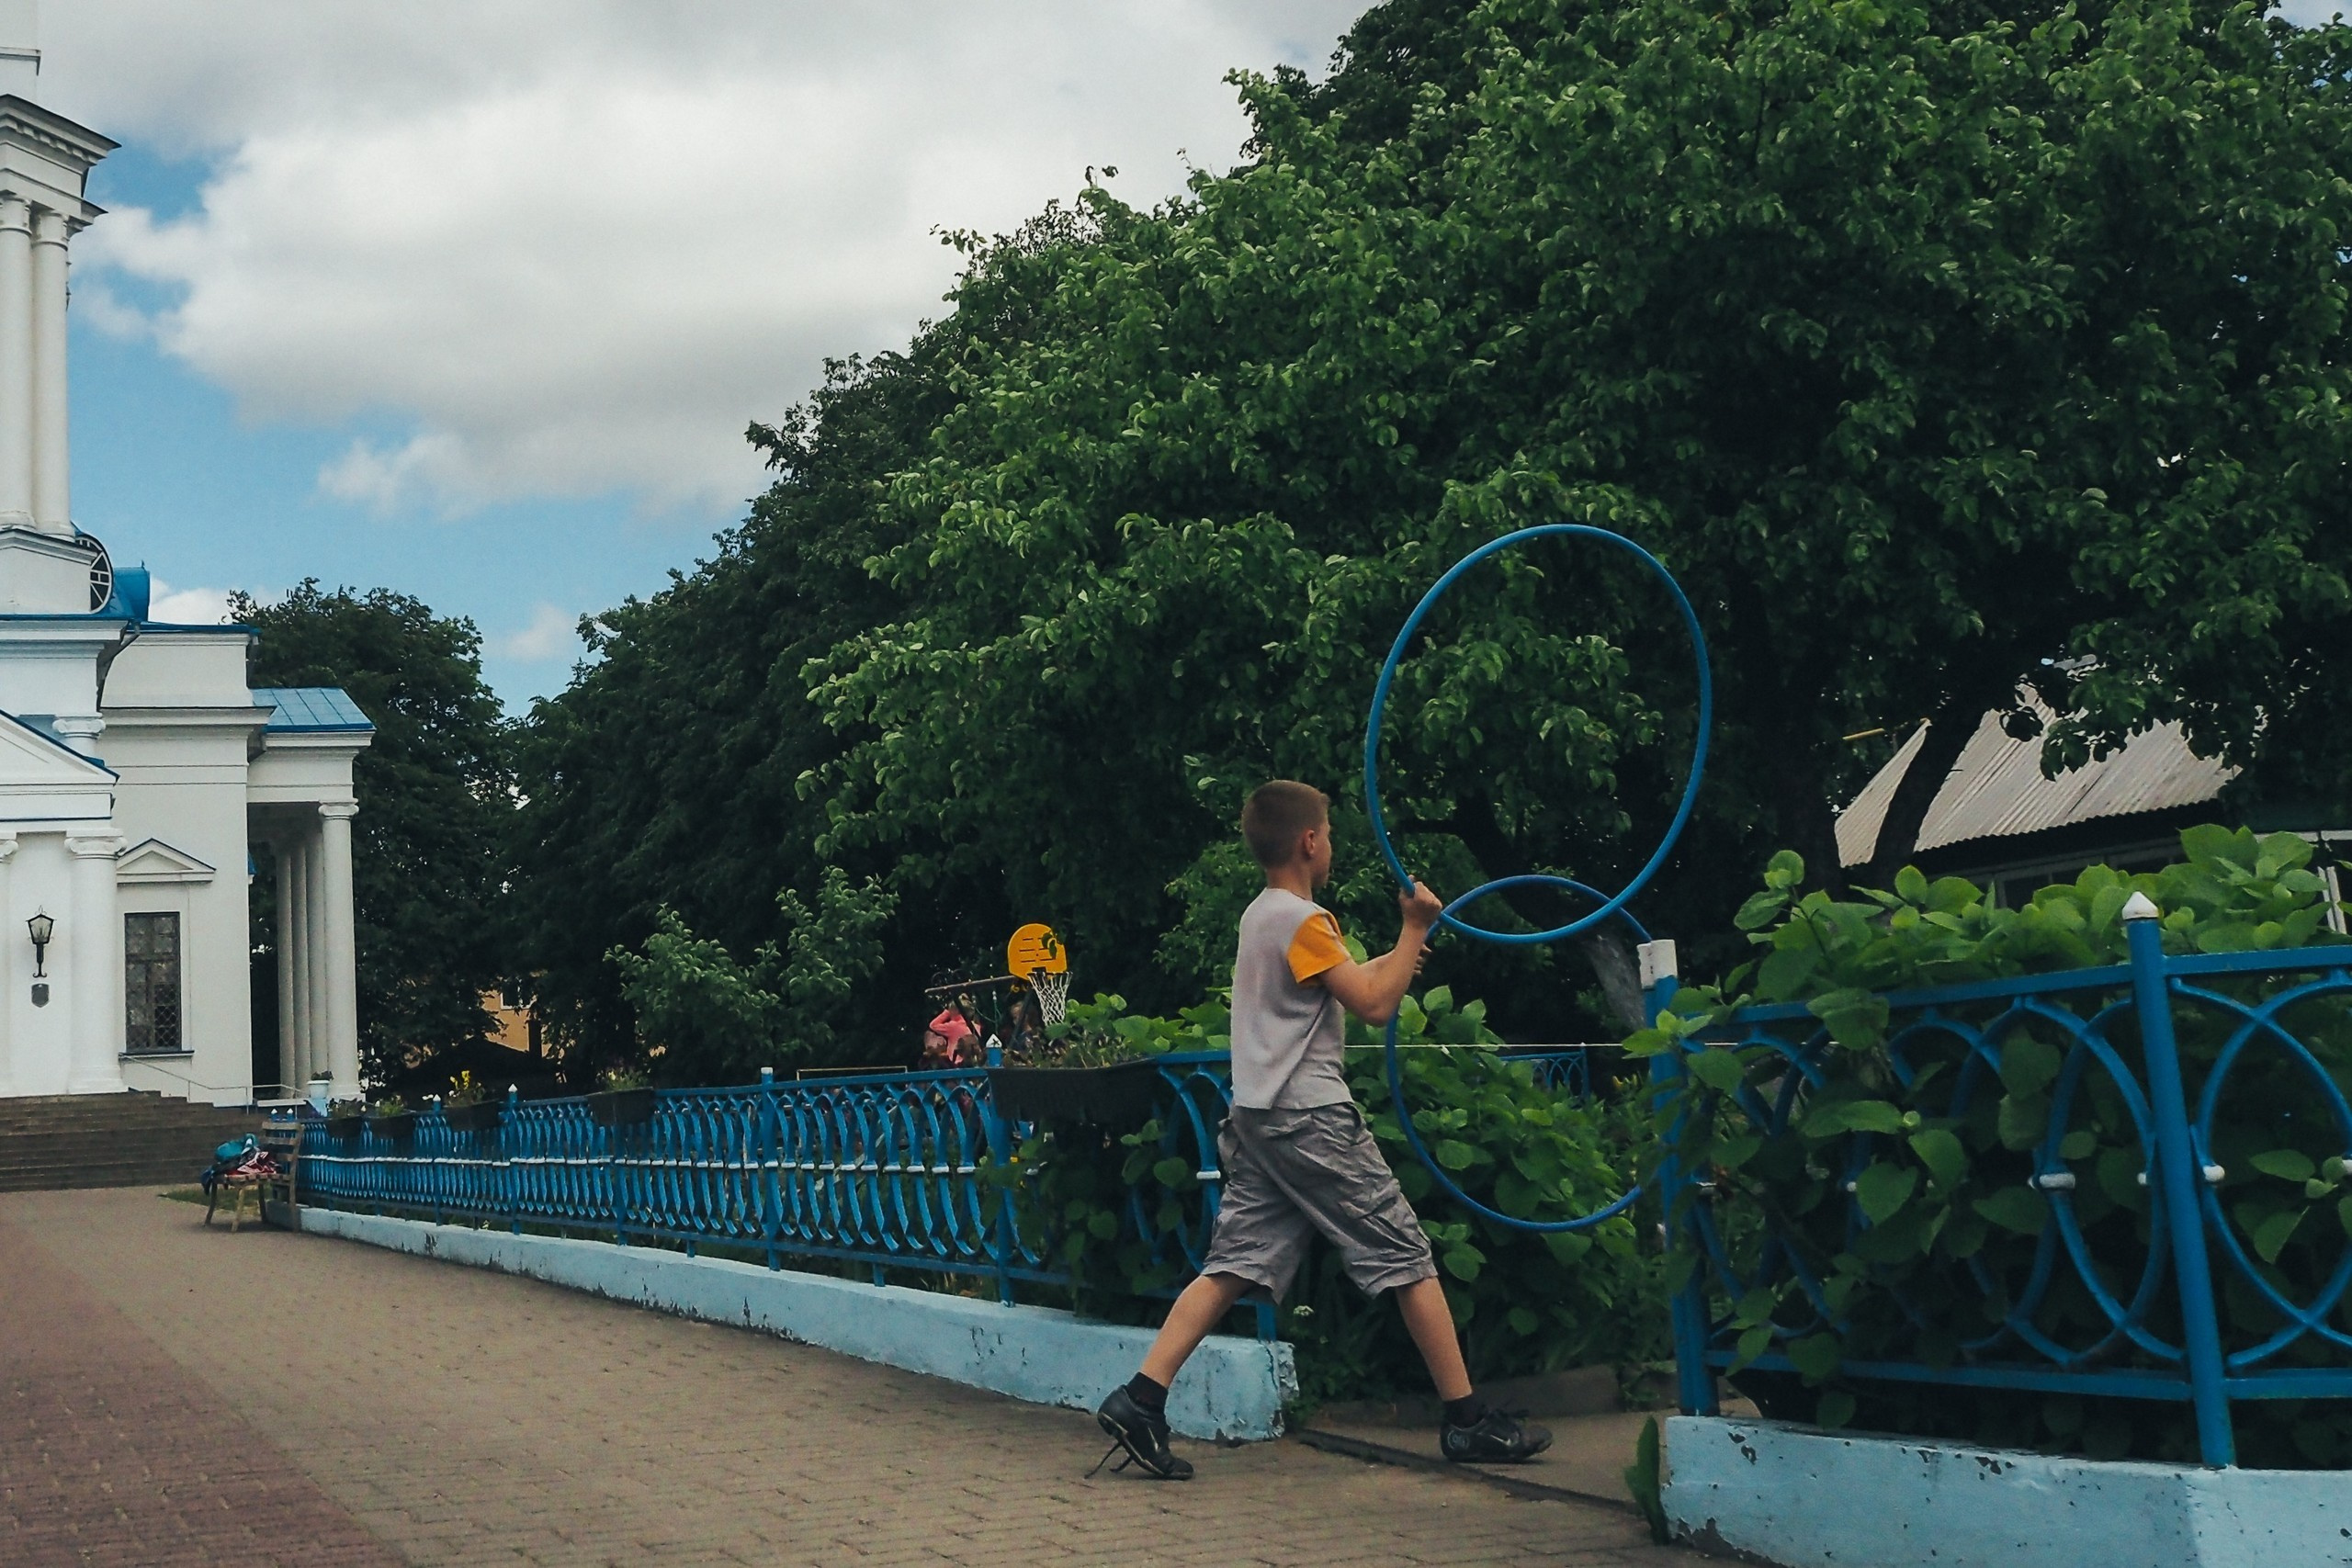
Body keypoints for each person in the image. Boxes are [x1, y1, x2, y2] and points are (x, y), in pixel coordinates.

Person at [1092, 779, 1551, 1480]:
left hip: (1260, 1115)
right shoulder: (1305, 919)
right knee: (1407, 1253)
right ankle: (1466, 1421)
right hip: (1309, 1117)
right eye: (1329, 833)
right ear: (1309, 841)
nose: (1331, 843)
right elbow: (1372, 1004)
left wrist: (1396, 957)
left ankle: (1140, 1399)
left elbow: (1336, 983)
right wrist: (1414, 927)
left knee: (1236, 1262)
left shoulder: (1263, 915)